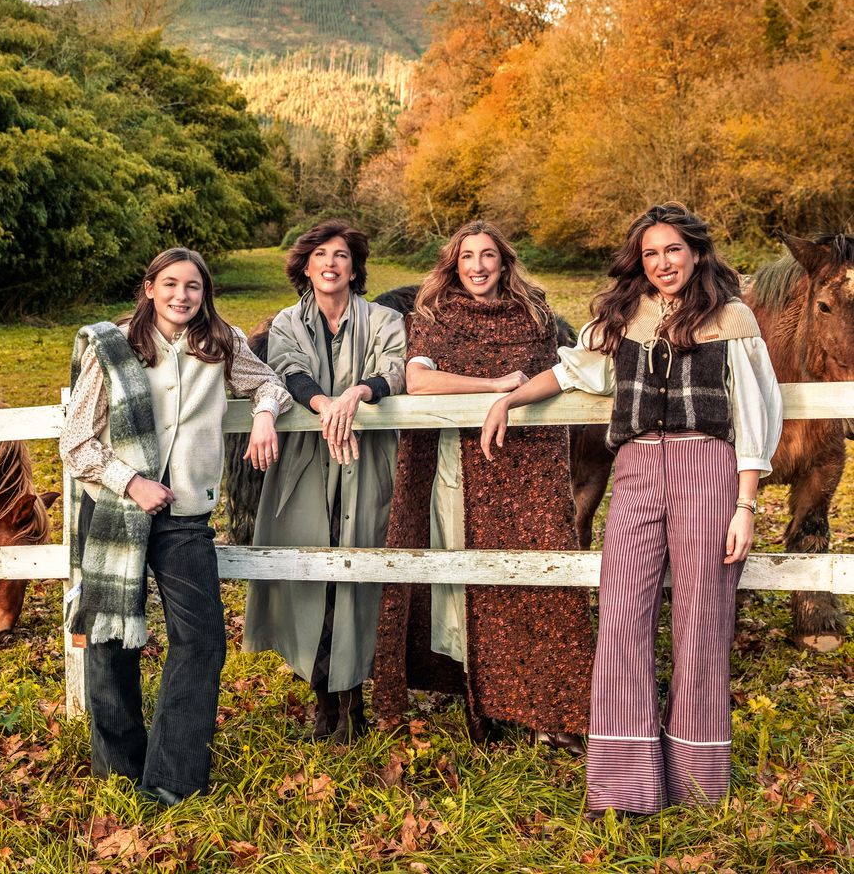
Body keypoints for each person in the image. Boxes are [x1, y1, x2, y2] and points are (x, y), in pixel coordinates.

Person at [481, 203, 783, 818]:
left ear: (697, 253)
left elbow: (755, 414)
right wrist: (508, 401)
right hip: (639, 469)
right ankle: (624, 781)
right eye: (651, 253)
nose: (663, 263)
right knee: (623, 612)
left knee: (702, 615)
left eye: (673, 250)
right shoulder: (624, 318)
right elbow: (569, 374)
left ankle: (698, 780)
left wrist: (745, 504)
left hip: (709, 468)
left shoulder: (732, 319)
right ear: (638, 261)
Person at [59, 247, 292, 807]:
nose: (182, 296)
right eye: (170, 284)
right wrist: (131, 481)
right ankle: (119, 767)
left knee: (203, 640)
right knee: (111, 639)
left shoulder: (220, 342)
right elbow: (76, 441)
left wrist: (263, 415)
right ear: (149, 288)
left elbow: (270, 385)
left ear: (204, 294)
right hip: (117, 509)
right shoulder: (114, 348)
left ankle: (171, 778)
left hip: (185, 517)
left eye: (193, 287)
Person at [372, 221, 593, 753]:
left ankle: (548, 706)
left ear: (503, 262)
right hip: (458, 464)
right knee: (463, 582)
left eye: (487, 255)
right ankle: (481, 701)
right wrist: (493, 386)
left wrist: (514, 401)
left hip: (527, 467)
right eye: (467, 256)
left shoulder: (534, 314)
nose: (477, 266)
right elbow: (420, 379)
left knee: (536, 580)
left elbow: (557, 376)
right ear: (454, 263)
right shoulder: (434, 315)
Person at [243, 221, 406, 743]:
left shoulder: (384, 318)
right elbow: (287, 370)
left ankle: (354, 696)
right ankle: (322, 697)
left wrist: (355, 394)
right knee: (311, 572)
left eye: (341, 255)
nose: (331, 263)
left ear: (355, 268)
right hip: (307, 463)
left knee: (359, 571)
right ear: (306, 267)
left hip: (368, 459)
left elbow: (396, 369)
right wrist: (325, 405)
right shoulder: (288, 321)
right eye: (320, 255)